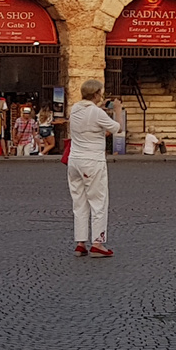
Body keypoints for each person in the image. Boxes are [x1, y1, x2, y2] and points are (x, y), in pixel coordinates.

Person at [67, 79, 119, 257]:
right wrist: (117, 110)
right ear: (96, 94)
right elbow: (115, 128)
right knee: (98, 202)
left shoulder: (74, 108)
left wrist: (101, 109)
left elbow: (89, 122)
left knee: (79, 202)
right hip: (92, 160)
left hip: (74, 160)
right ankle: (98, 242)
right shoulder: (96, 112)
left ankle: (80, 242)